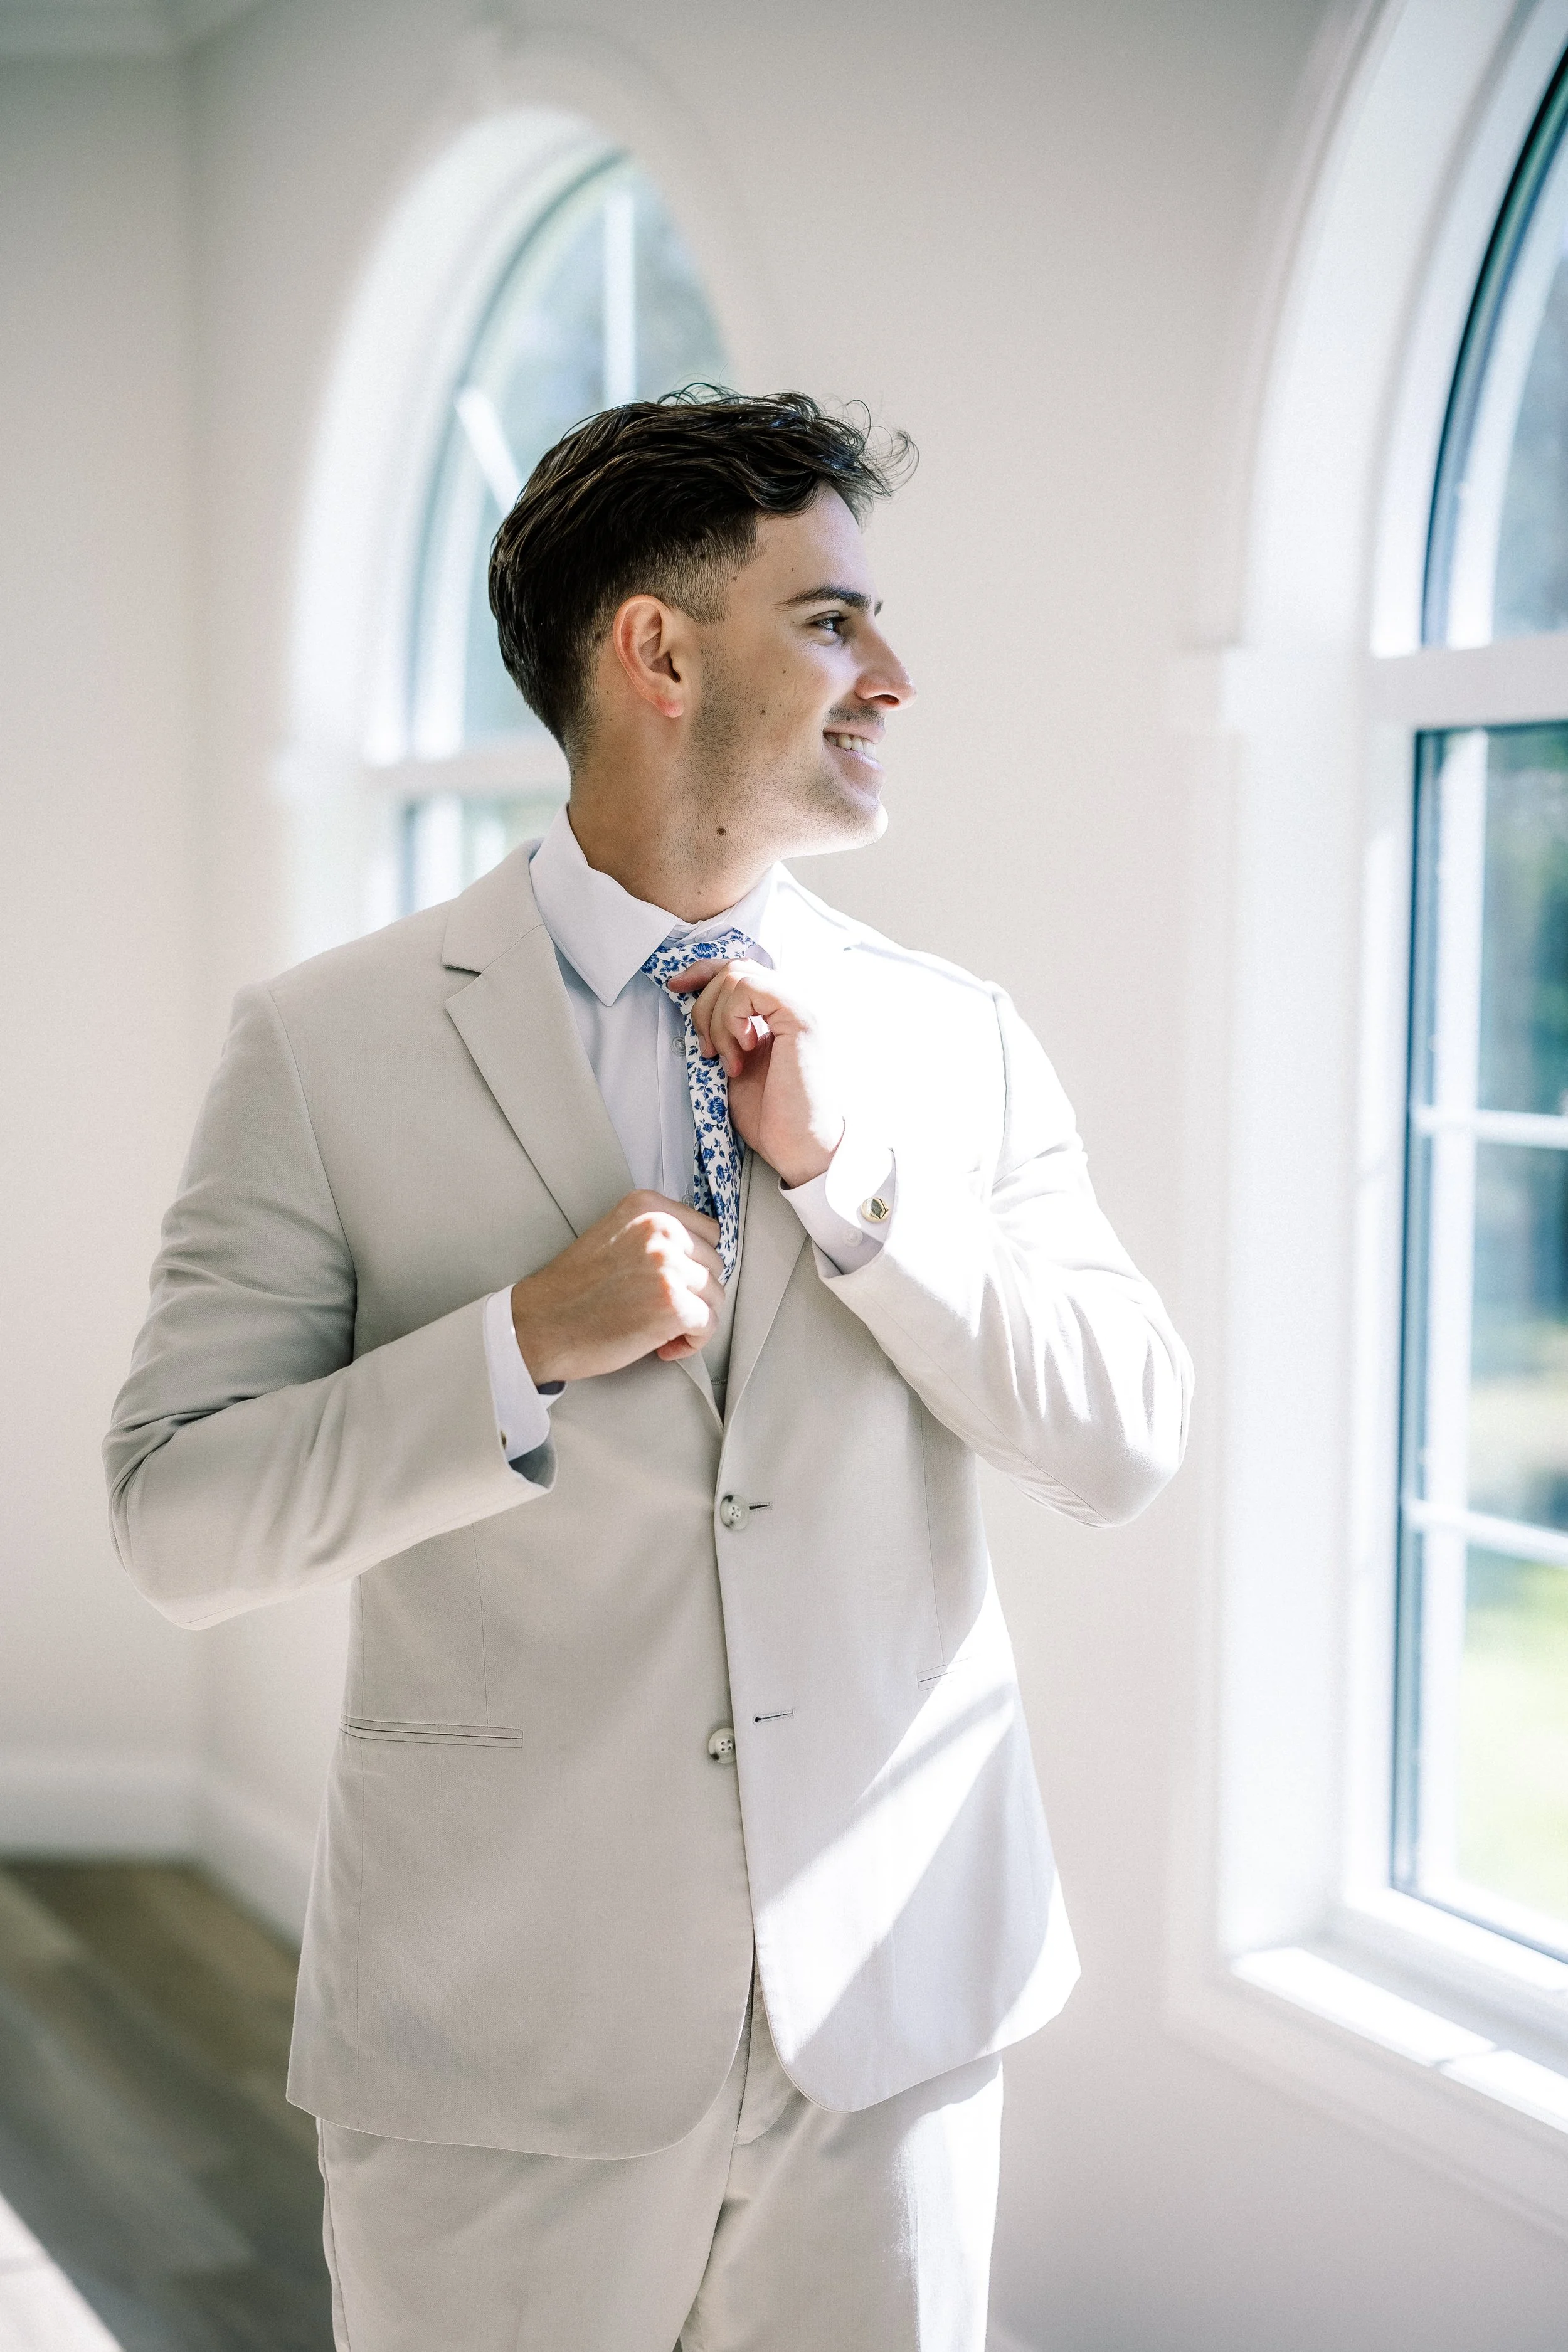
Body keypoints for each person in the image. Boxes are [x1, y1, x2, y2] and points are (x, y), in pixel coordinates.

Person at [106, 389, 1191, 2352]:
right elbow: (179, 1517)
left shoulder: (949, 1044)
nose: (894, 677)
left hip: (893, 2031)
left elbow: (1120, 1435)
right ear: (660, 649)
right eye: (833, 620)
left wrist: (848, 1184)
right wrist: (516, 1344)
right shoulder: (327, 1044)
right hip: (500, 2049)